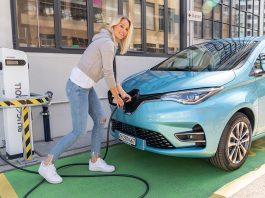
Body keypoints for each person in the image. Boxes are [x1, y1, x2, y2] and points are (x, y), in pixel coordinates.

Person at [38, 15, 133, 184]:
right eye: (121, 26)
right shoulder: (107, 43)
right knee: (79, 131)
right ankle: (47, 164)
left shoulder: (108, 42)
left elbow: (111, 73)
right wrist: (117, 97)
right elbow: (109, 74)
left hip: (86, 88)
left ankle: (95, 160)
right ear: (114, 25)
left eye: (126, 29)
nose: (123, 31)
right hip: (77, 88)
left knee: (100, 119)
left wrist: (123, 92)